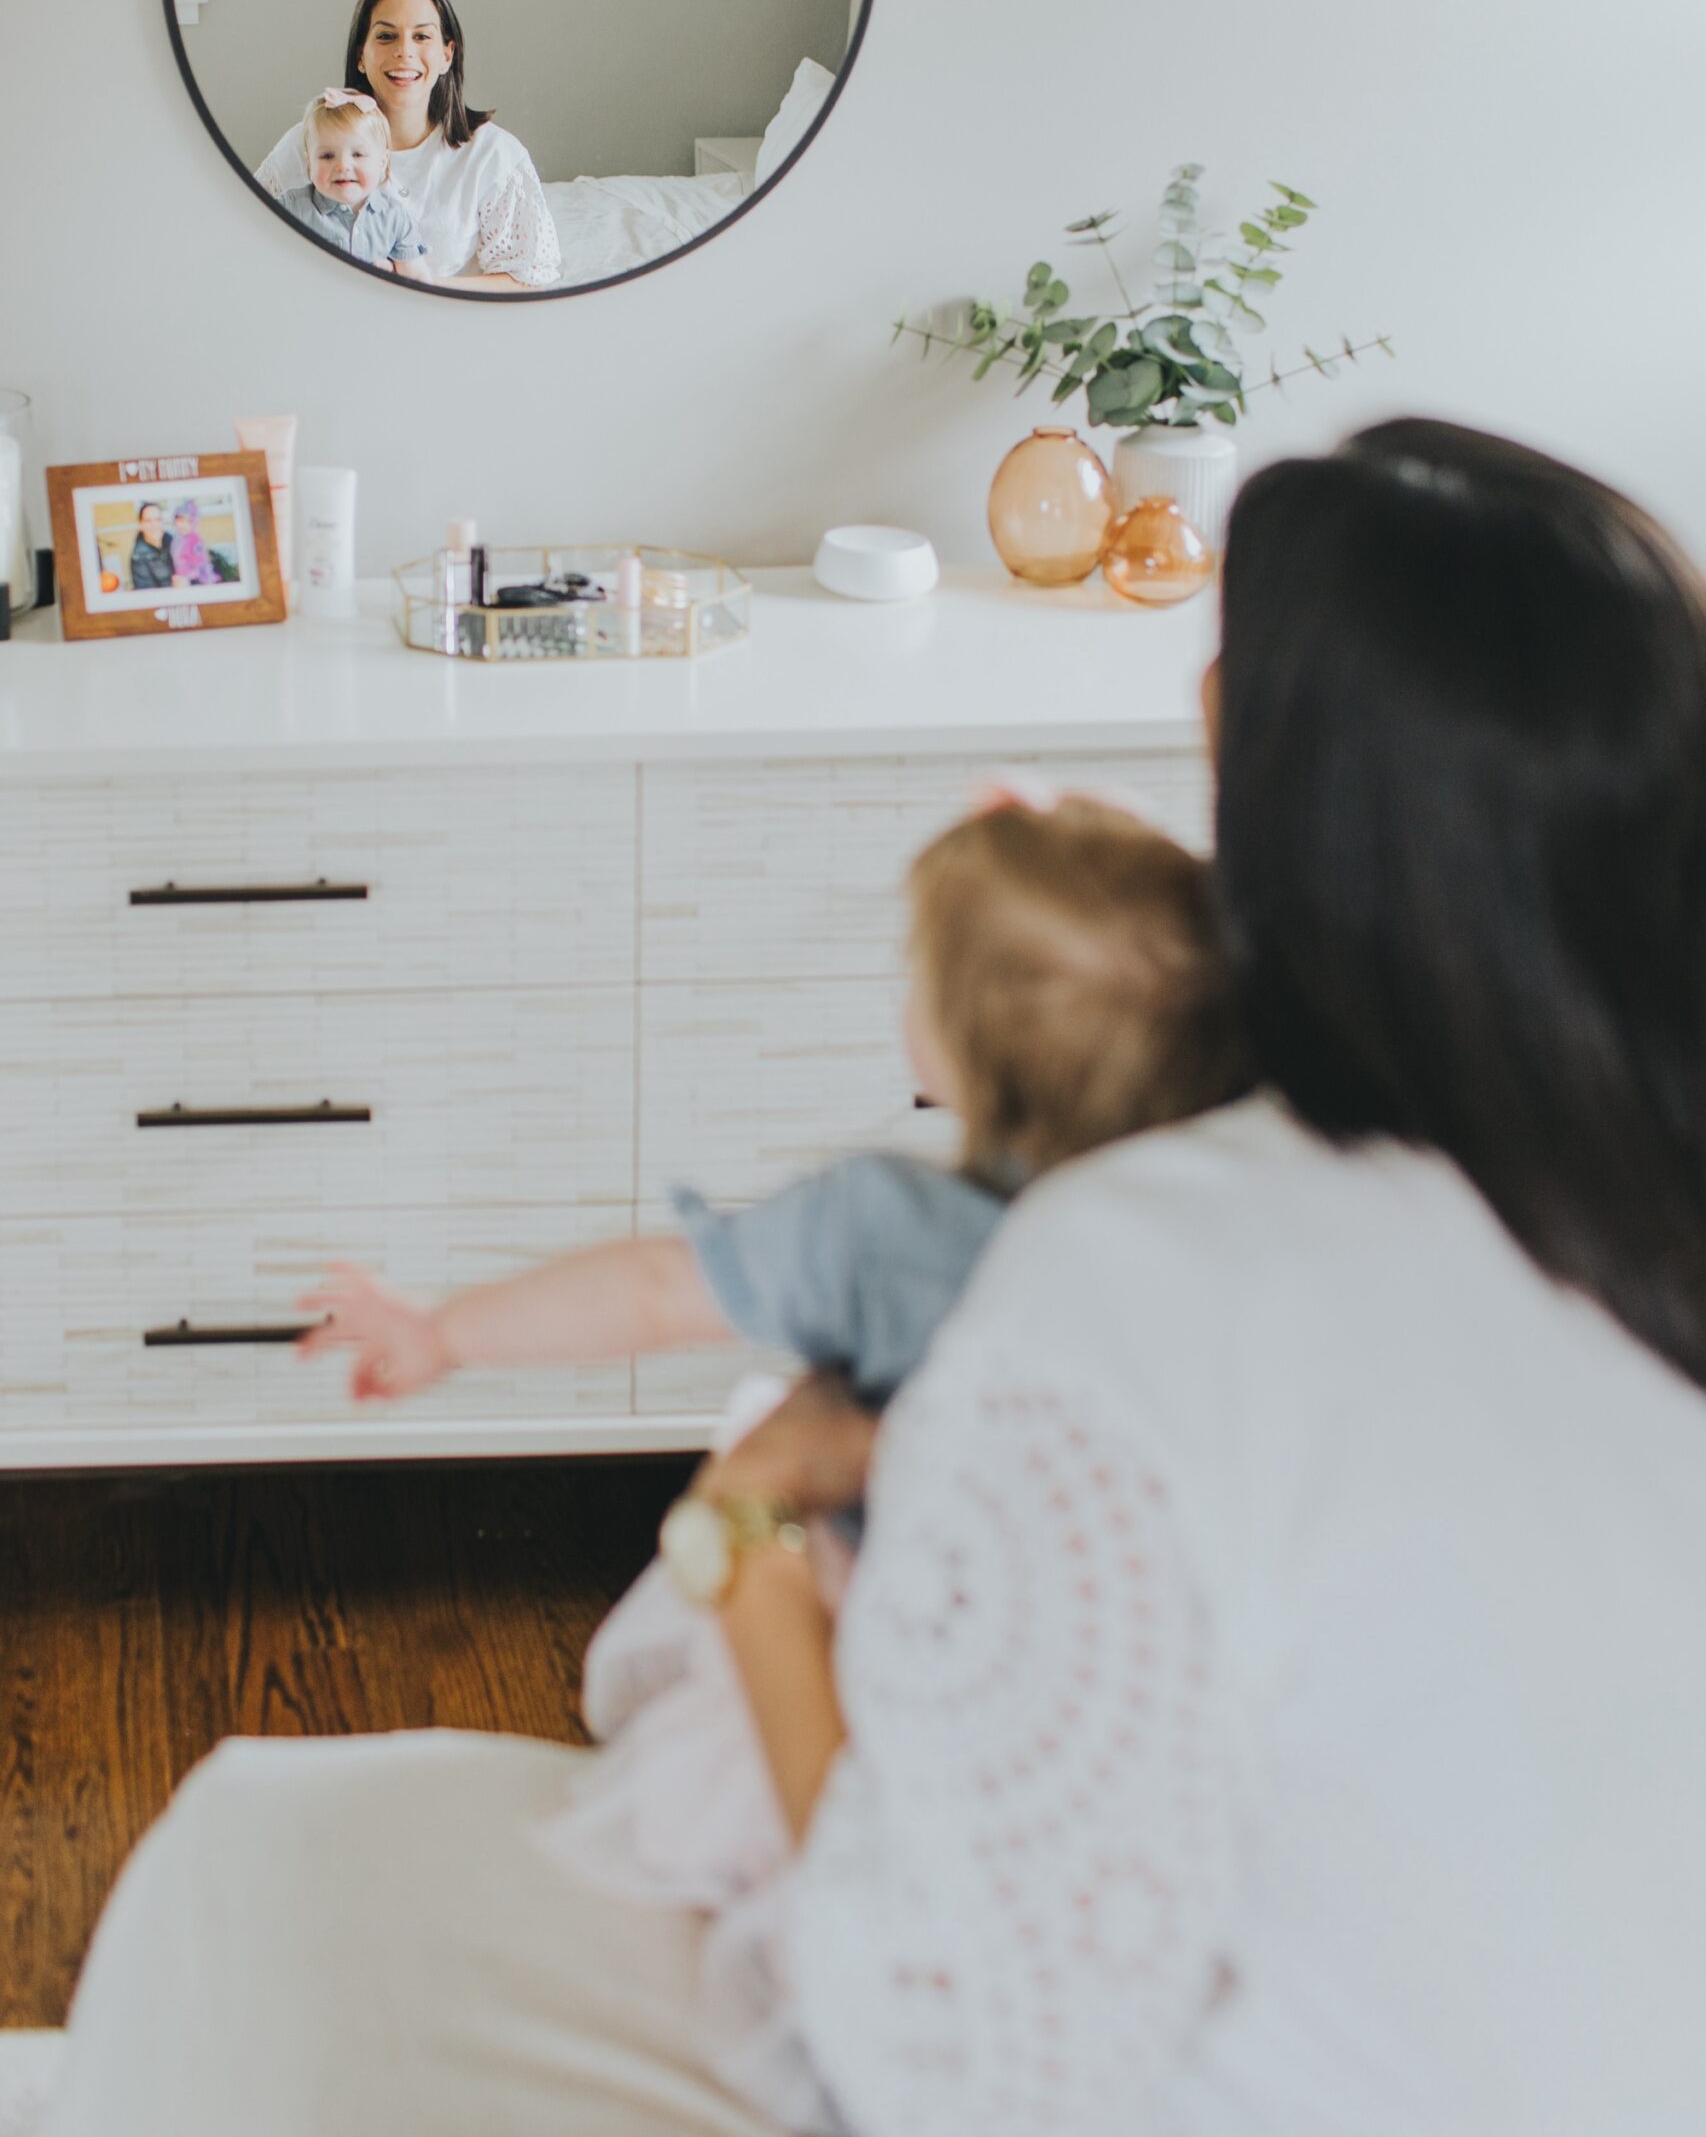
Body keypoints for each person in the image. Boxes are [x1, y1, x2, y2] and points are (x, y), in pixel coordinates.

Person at [41, 418, 1706, 2137]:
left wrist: (745, 1535)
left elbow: (940, 2050)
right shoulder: (1610, 1215)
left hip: (1009, 2034)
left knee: (254, 1853)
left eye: (1219, 697)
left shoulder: (1144, 1269)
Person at [290, 797, 1246, 2132]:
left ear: (957, 1042)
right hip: (1066, 1669)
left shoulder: (886, 1233)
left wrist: (440, 1332)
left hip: (854, 1645)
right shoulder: (1203, 1234)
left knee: (745, 1887)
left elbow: (646, 1293)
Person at [254, 0, 561, 291]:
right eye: (386, 36)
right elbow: (248, 237)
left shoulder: (492, 154)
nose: (404, 51)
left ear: (447, 54)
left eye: (422, 37)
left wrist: (421, 287)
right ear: (361, 55)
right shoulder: (306, 142)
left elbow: (528, 277)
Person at [273, 89, 433, 279]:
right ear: (310, 163)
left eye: (358, 154)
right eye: (327, 156)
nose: (343, 166)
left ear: (382, 161)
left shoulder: (393, 217)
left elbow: (418, 280)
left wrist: (393, 277)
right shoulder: (293, 207)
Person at [124, 501, 178, 590]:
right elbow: (148, 595)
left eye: (158, 519)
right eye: (148, 521)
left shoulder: (174, 543)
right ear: (141, 525)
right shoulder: (138, 558)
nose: (154, 525)